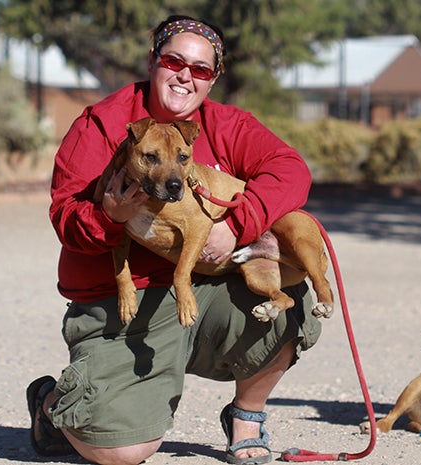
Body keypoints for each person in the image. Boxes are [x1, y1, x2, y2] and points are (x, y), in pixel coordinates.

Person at [26, 15, 322, 465]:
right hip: (120, 303)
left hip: (204, 288)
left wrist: (237, 226)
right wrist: (109, 217)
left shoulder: (223, 124)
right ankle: (52, 404)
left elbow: (291, 169)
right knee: (120, 454)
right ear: (153, 61)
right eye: (174, 60)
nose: (185, 75)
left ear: (213, 78)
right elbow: (65, 218)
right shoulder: (103, 126)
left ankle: (247, 417)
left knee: (292, 300)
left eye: (201, 69)